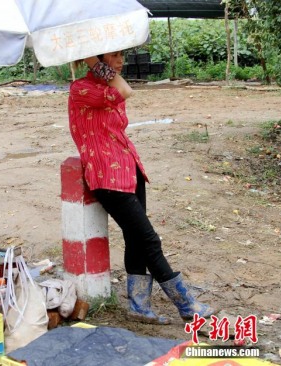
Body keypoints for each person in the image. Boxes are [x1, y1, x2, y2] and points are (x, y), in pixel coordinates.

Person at [68, 51, 216, 324]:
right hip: (106, 176)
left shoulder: (105, 86)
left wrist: (103, 64)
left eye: (122, 55)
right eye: (114, 56)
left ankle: (139, 306)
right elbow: (125, 89)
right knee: (149, 239)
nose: (121, 61)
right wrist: (92, 62)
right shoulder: (82, 89)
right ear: (99, 61)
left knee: (135, 239)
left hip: (129, 168)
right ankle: (185, 304)